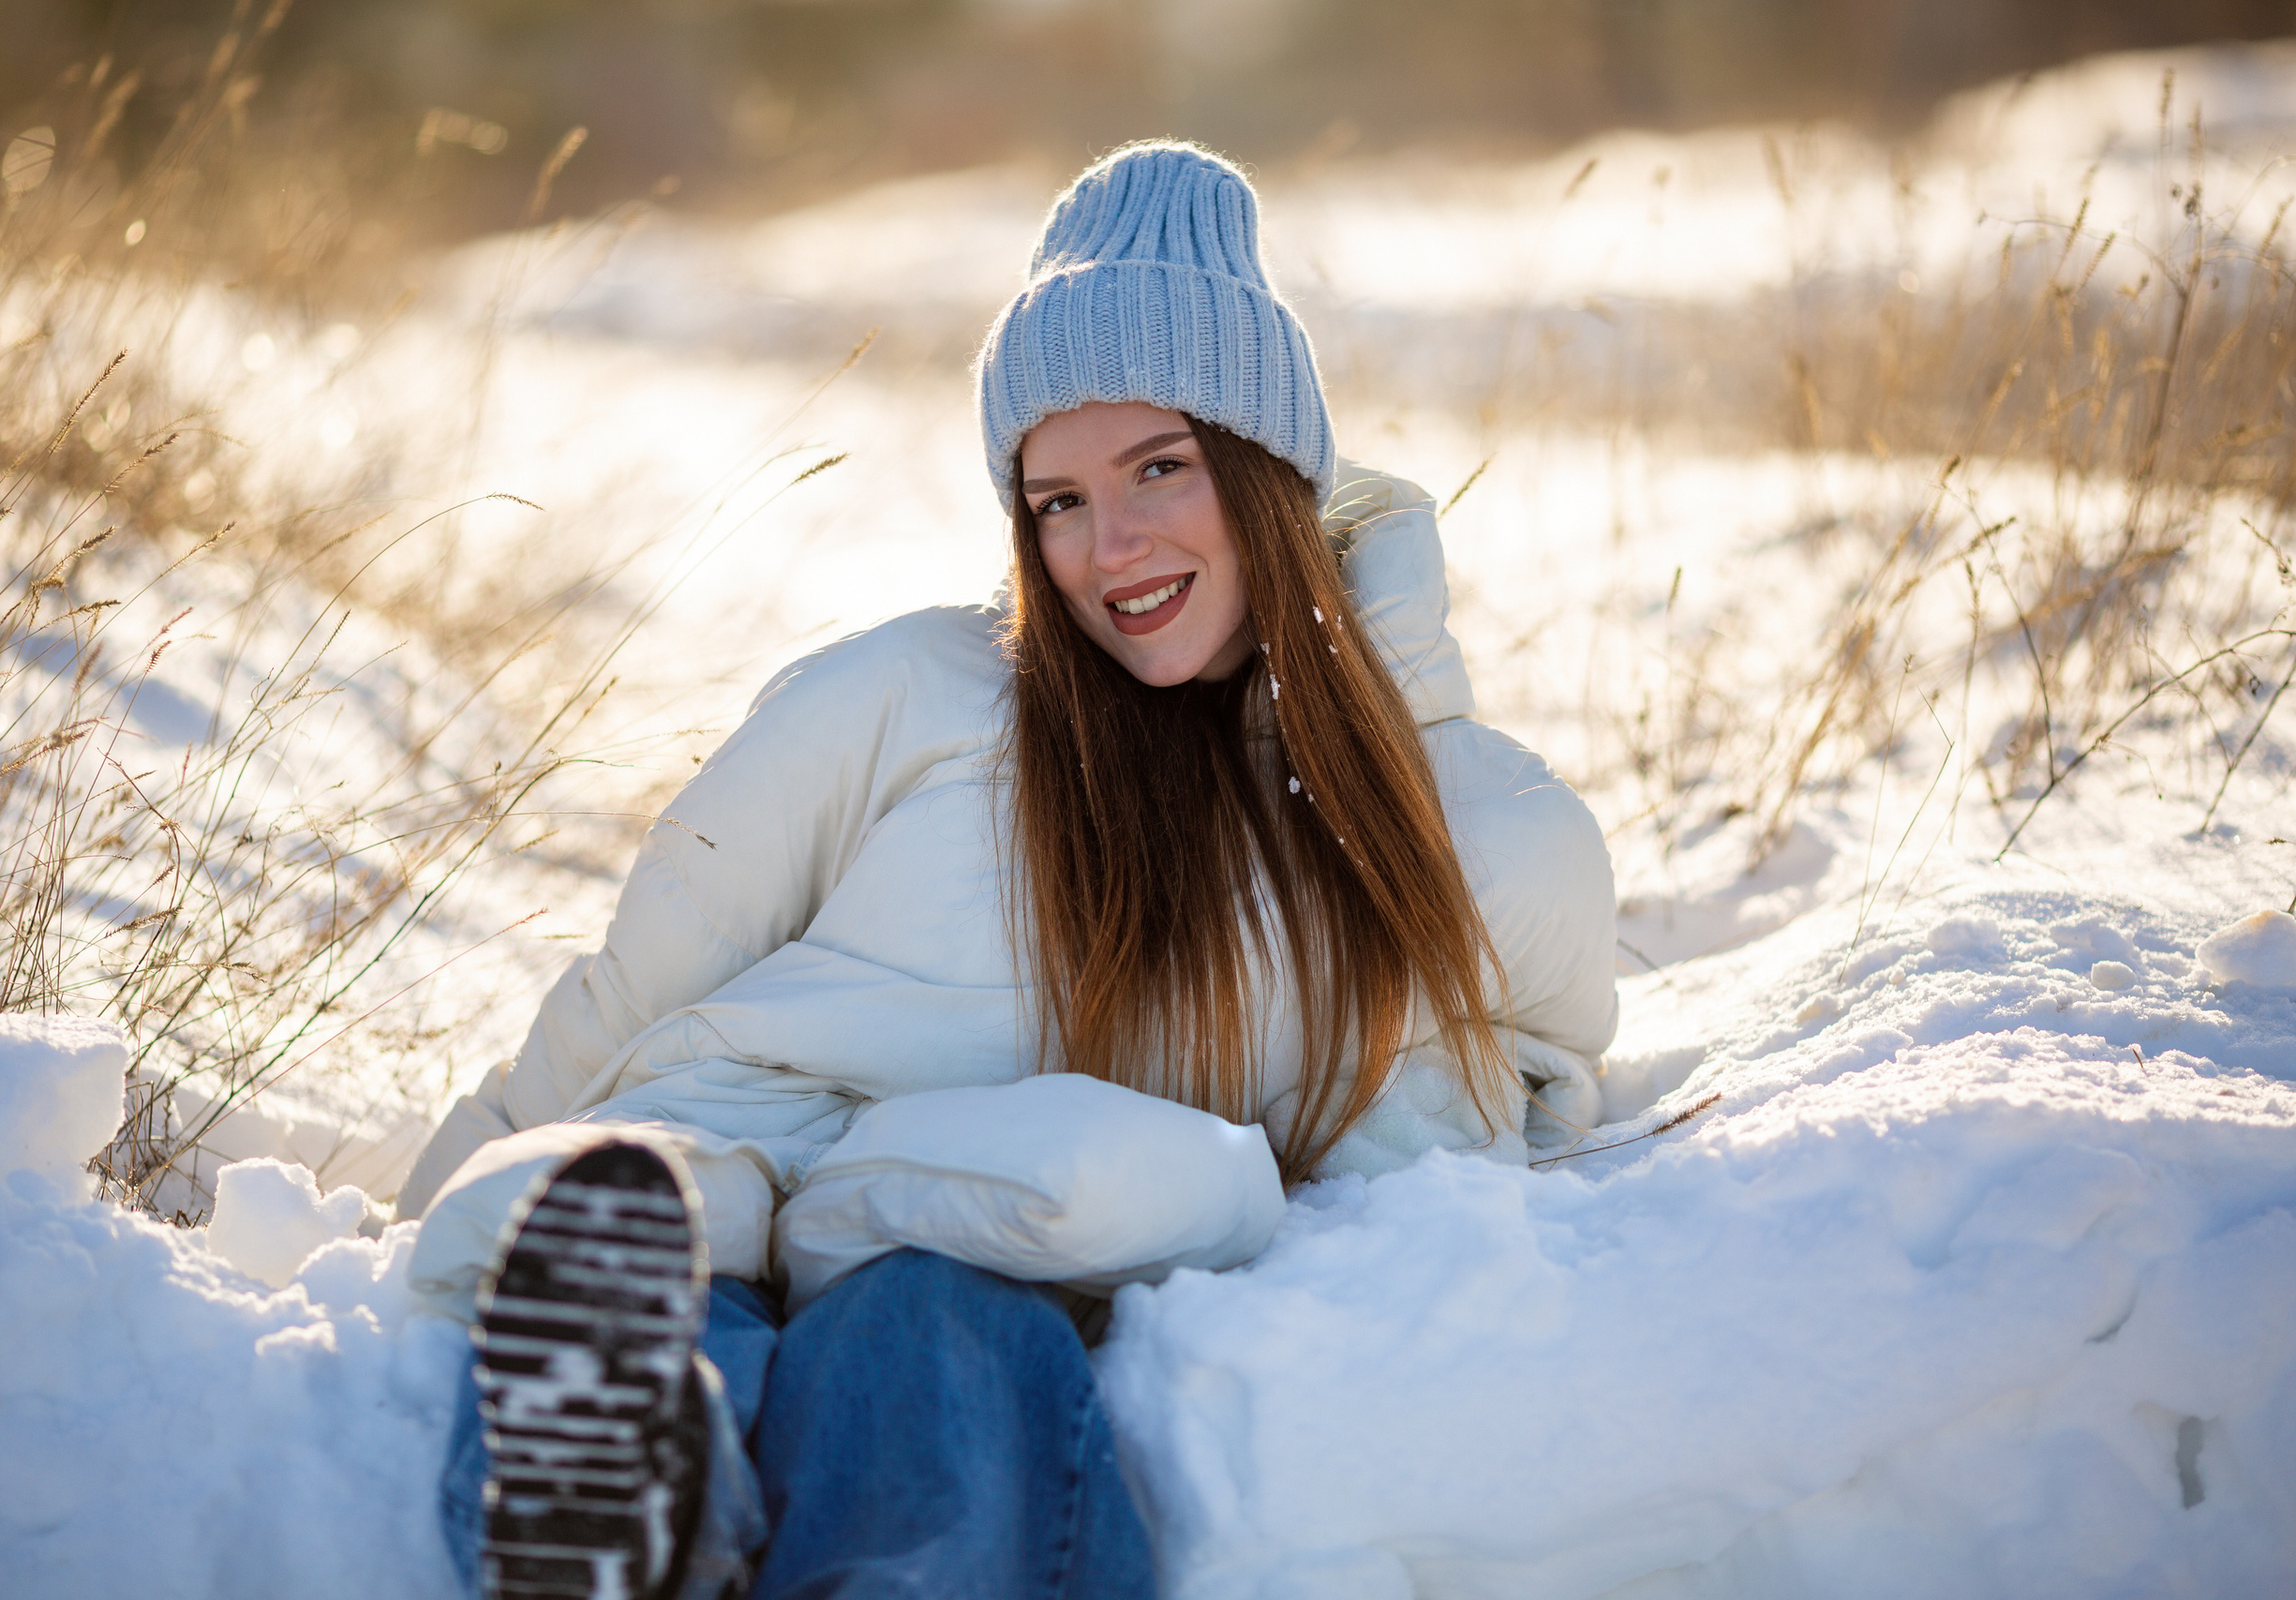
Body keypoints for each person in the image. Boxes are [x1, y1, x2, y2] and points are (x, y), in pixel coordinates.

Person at [397, 141, 1619, 1600]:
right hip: (713, 1190)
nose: (1112, 547)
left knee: (933, 1355)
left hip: (976, 1246)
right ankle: (628, 1499)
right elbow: (651, 974)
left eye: (1160, 468)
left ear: (1270, 471)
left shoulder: (1474, 827)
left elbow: (1497, 1088)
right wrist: (440, 1198)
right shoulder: (904, 693)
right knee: (634, 1259)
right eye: (1057, 501)